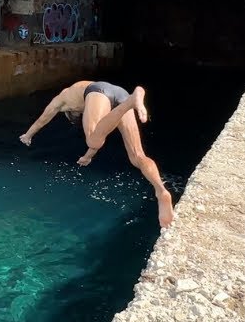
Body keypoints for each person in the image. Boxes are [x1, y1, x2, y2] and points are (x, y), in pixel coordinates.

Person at [19, 81, 174, 228]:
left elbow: (42, 120)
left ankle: (130, 102)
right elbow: (97, 138)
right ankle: (160, 190)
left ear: (70, 113)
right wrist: (88, 157)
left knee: (93, 140)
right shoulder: (78, 94)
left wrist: (27, 135)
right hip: (120, 93)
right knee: (137, 156)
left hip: (99, 92)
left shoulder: (61, 100)